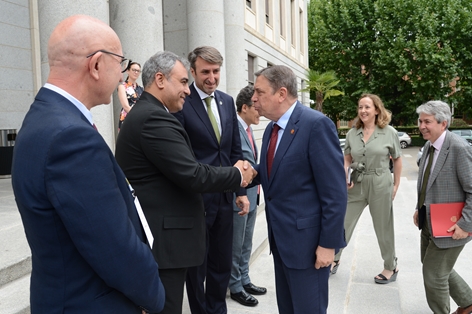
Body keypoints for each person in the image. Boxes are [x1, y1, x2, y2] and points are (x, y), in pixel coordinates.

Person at [10, 15, 164, 313]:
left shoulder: (43, 118)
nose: (122, 77)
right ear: (95, 65)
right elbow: (114, 248)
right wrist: (153, 297)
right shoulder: (70, 137)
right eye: (119, 64)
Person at [115, 51, 255, 314]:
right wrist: (237, 175)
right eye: (182, 82)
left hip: (170, 236)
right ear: (159, 79)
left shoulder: (151, 113)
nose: (187, 91)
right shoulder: (154, 118)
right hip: (164, 243)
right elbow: (192, 174)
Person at [251, 65, 347, 314]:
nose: (253, 98)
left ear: (281, 93)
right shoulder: (272, 128)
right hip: (282, 242)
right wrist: (251, 172)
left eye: (259, 92)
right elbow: (279, 171)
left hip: (309, 247)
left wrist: (328, 244)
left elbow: (335, 194)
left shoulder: (316, 125)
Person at [173, 46, 249, 314]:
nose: (212, 77)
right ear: (192, 71)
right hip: (195, 199)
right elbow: (181, 153)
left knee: (221, 262)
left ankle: (218, 310)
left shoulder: (227, 102)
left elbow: (234, 151)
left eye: (216, 71)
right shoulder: (182, 101)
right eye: (205, 71)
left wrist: (240, 190)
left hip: (225, 198)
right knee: (197, 266)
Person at [331, 94, 402, 285]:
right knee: (342, 222)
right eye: (360, 107)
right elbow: (347, 158)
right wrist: (345, 174)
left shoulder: (389, 132)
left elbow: (397, 159)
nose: (363, 111)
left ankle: (390, 265)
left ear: (377, 110)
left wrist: (395, 185)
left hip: (380, 182)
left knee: (383, 226)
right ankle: (334, 259)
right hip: (356, 182)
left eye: (367, 107)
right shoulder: (352, 133)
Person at [414, 100, 472, 314]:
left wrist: (465, 224)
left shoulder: (458, 148)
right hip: (429, 220)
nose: (421, 126)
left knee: (434, 275)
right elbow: (427, 183)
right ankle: (468, 303)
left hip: (451, 226)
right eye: (420, 121)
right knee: (433, 265)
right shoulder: (429, 145)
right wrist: (418, 208)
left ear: (443, 123)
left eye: (427, 121)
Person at [228, 85, 266, 307]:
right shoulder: (234, 130)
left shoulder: (250, 130)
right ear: (244, 107)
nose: (259, 109)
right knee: (236, 245)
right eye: (255, 105)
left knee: (247, 243)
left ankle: (244, 279)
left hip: (253, 194)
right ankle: (235, 287)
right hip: (239, 197)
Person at [118, 61, 144, 129]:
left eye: (138, 71)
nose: (136, 72)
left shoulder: (141, 89)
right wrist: (139, 116)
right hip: (128, 117)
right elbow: (125, 106)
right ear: (128, 71)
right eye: (134, 70)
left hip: (139, 119)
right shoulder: (122, 87)